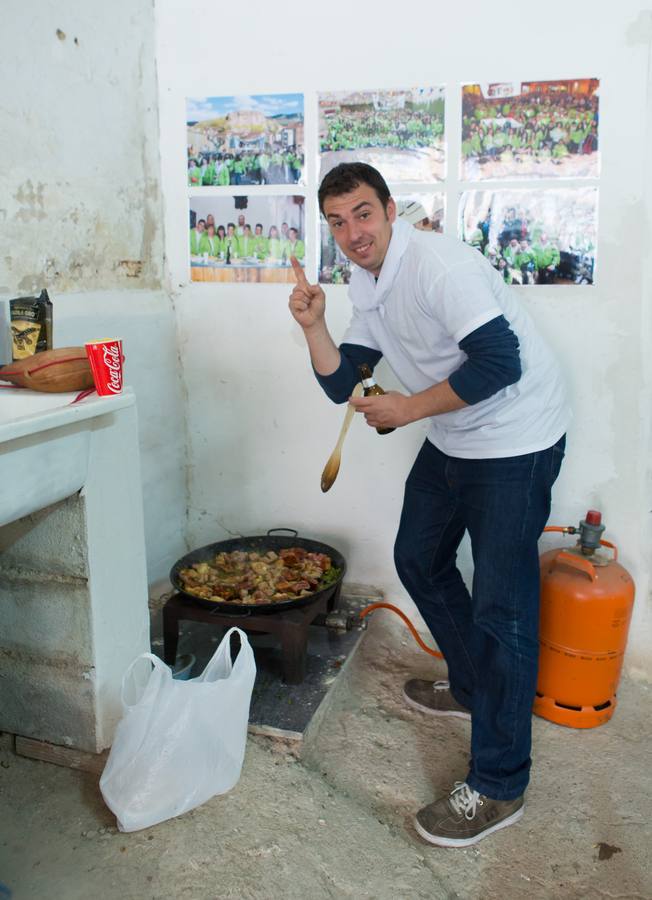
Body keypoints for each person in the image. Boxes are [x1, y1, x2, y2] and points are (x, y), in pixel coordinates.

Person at [288, 162, 570, 848]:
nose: (351, 233)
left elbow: (500, 362)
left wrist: (410, 407)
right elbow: (343, 382)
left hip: (516, 438)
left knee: (503, 611)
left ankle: (501, 784)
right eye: (336, 222)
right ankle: (475, 687)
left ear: (389, 209)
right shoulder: (366, 277)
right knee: (418, 556)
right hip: (458, 434)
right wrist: (314, 326)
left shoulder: (439, 266)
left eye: (361, 213)